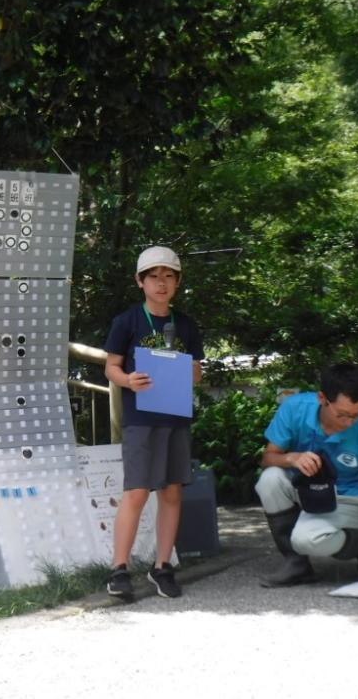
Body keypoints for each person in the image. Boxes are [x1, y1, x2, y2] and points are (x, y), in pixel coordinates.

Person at [255, 363, 358, 588]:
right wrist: (291, 458)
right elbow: (267, 459)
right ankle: (296, 564)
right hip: (308, 490)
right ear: (322, 398)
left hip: (351, 498)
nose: (349, 422)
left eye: (356, 415)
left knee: (306, 539)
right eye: (342, 415)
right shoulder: (294, 408)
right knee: (270, 479)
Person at [102, 246, 204, 599]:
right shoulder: (127, 321)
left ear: (177, 282)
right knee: (137, 491)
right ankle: (119, 569)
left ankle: (162, 567)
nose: (161, 283)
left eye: (169, 276)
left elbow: (197, 372)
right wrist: (128, 380)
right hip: (140, 419)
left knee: (172, 491)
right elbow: (111, 367)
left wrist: (194, 372)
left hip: (175, 417)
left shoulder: (186, 324)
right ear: (140, 281)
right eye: (154, 277)